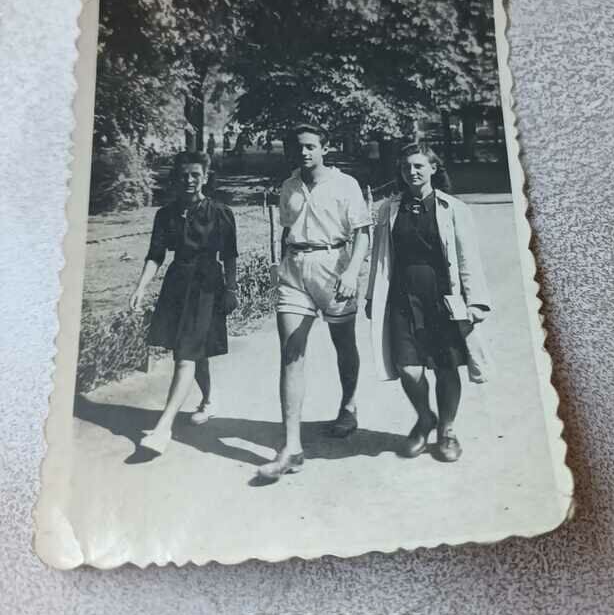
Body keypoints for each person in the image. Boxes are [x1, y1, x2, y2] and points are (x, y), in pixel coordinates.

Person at [257, 123, 371, 482]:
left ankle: (348, 405)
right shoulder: (288, 186)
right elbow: (286, 230)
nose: (304, 152)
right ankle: (291, 447)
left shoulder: (345, 184)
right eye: (298, 147)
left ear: (324, 148)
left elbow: (362, 233)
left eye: (310, 146)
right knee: (291, 353)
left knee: (343, 343)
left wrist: (352, 272)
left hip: (334, 268)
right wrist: (280, 265)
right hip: (295, 272)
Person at [366, 143, 491, 462]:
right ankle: (425, 418)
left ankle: (446, 431)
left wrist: (475, 302)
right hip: (401, 297)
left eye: (420, 166)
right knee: (407, 368)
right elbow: (379, 258)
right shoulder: (389, 209)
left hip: (442, 298)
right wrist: (371, 296)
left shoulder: (453, 209)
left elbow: (468, 259)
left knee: (446, 366)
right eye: (407, 167)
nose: (413, 172)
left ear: (434, 168)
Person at [129, 151, 238, 455]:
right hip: (177, 285)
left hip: (208, 286)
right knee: (189, 349)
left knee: (186, 354)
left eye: (195, 175)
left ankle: (163, 427)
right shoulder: (165, 214)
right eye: (183, 175)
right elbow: (155, 255)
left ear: (205, 176)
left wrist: (231, 289)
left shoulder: (220, 212)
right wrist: (140, 286)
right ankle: (208, 400)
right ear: (175, 177)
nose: (189, 180)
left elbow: (229, 255)